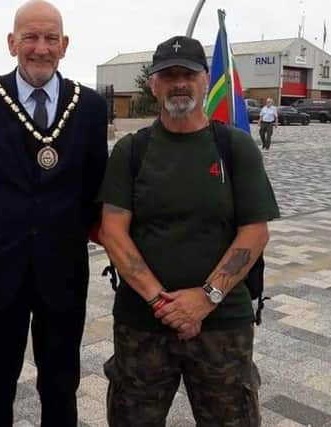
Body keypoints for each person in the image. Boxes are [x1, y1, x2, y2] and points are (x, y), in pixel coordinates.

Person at [97, 36, 280, 426]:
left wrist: (205, 297)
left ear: (203, 81)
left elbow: (254, 232)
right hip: (142, 324)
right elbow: (113, 232)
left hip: (222, 325)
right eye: (168, 75)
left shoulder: (235, 147)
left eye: (188, 74)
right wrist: (161, 302)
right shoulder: (132, 151)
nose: (179, 83)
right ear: (153, 84)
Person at [0, 1, 108, 425]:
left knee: (61, 382)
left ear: (65, 45)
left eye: (50, 38)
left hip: (63, 266)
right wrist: (6, 226)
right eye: (30, 37)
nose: (40, 48)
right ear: (12, 43)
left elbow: (94, 184)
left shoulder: (90, 106)